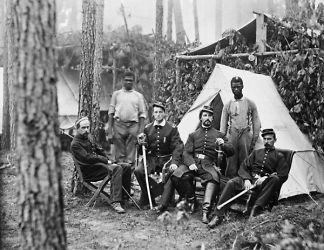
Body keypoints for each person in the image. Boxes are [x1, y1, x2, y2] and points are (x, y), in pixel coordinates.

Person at [208, 128, 290, 228]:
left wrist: (266, 178)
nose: (266, 141)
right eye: (264, 139)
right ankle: (218, 215)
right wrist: (246, 179)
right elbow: (244, 166)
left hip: (265, 185)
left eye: (269, 139)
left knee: (275, 179)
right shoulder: (256, 153)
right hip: (250, 180)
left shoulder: (279, 156)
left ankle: (256, 209)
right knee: (231, 183)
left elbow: (283, 175)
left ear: (275, 140)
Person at [172, 105, 234, 223]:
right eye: (204, 115)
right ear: (200, 118)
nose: (207, 118)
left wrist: (223, 145)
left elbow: (231, 151)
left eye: (209, 116)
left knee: (213, 178)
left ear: (212, 119)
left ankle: (206, 211)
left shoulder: (219, 135)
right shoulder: (193, 135)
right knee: (177, 175)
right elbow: (186, 152)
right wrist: (190, 163)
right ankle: (191, 199)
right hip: (194, 162)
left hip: (208, 164)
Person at [71, 117, 131, 214]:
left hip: (97, 166)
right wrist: (105, 161)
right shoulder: (75, 144)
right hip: (89, 171)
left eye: (88, 127)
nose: (86, 130)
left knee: (126, 166)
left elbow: (99, 150)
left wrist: (110, 160)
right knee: (117, 168)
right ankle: (115, 201)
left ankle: (124, 197)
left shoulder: (88, 139)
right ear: (77, 129)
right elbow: (87, 158)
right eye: (83, 128)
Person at [134, 102, 184, 209]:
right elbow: (141, 150)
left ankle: (165, 199)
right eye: (156, 112)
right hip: (151, 159)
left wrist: (174, 162)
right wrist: (140, 143)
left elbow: (177, 147)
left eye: (160, 112)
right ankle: (149, 197)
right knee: (138, 171)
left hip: (166, 159)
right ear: (153, 114)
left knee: (171, 172)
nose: (158, 114)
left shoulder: (172, 128)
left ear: (164, 114)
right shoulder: (148, 128)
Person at [107, 70, 147, 198]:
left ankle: (127, 188)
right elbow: (111, 113)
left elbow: (142, 115)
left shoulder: (138, 96)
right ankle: (119, 188)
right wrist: (109, 131)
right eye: (126, 80)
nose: (128, 82)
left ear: (133, 82)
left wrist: (140, 132)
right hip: (119, 126)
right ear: (122, 81)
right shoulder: (116, 94)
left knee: (130, 161)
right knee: (119, 159)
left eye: (131, 80)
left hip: (133, 127)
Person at [220, 76, 261, 178]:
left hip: (245, 134)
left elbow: (256, 122)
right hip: (232, 134)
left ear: (242, 86)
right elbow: (223, 124)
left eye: (238, 86)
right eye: (234, 87)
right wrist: (223, 140)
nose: (236, 89)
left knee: (245, 160)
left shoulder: (250, 102)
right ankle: (230, 183)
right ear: (231, 88)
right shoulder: (228, 104)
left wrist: (254, 138)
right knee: (231, 160)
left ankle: (245, 183)